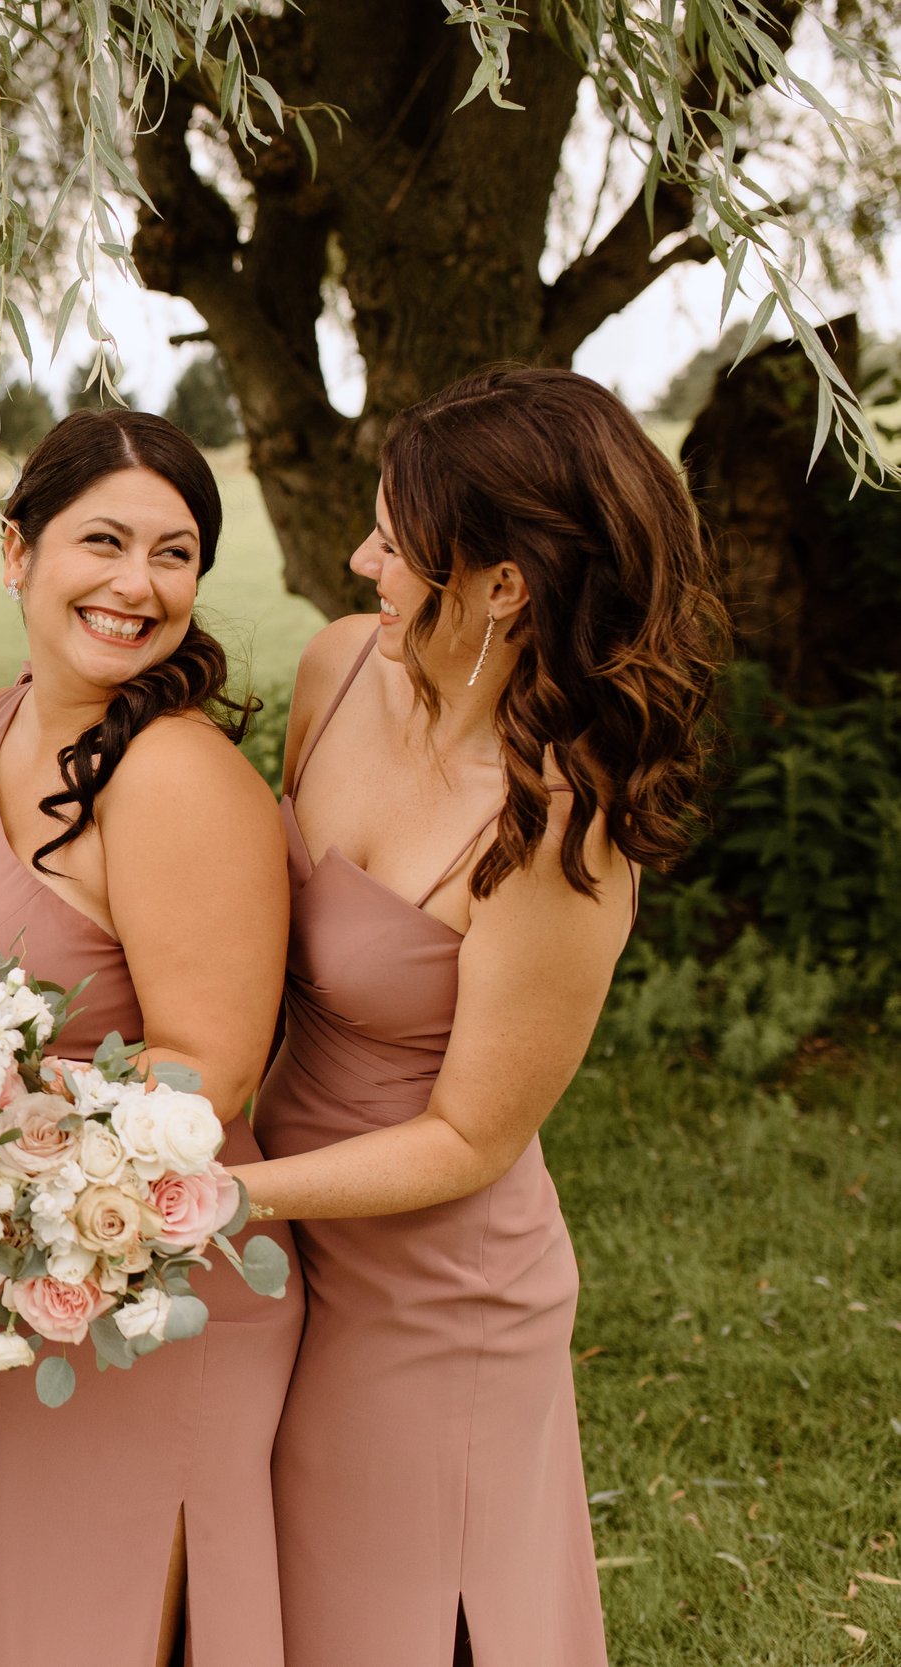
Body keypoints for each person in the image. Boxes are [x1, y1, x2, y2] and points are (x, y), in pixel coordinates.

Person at [231, 366, 727, 1666]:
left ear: (503, 583)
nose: (360, 558)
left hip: (431, 1290)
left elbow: (469, 1138)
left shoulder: (564, 822)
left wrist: (234, 1193)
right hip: (289, 1223)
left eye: (393, 540)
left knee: (403, 1619)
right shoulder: (340, 665)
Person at [0, 409, 302, 1666]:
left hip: (149, 1294)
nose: (138, 585)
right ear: (14, 549)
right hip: (5, 1284)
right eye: (103, 540)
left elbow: (207, 1072)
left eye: (174, 552)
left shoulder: (171, 772)